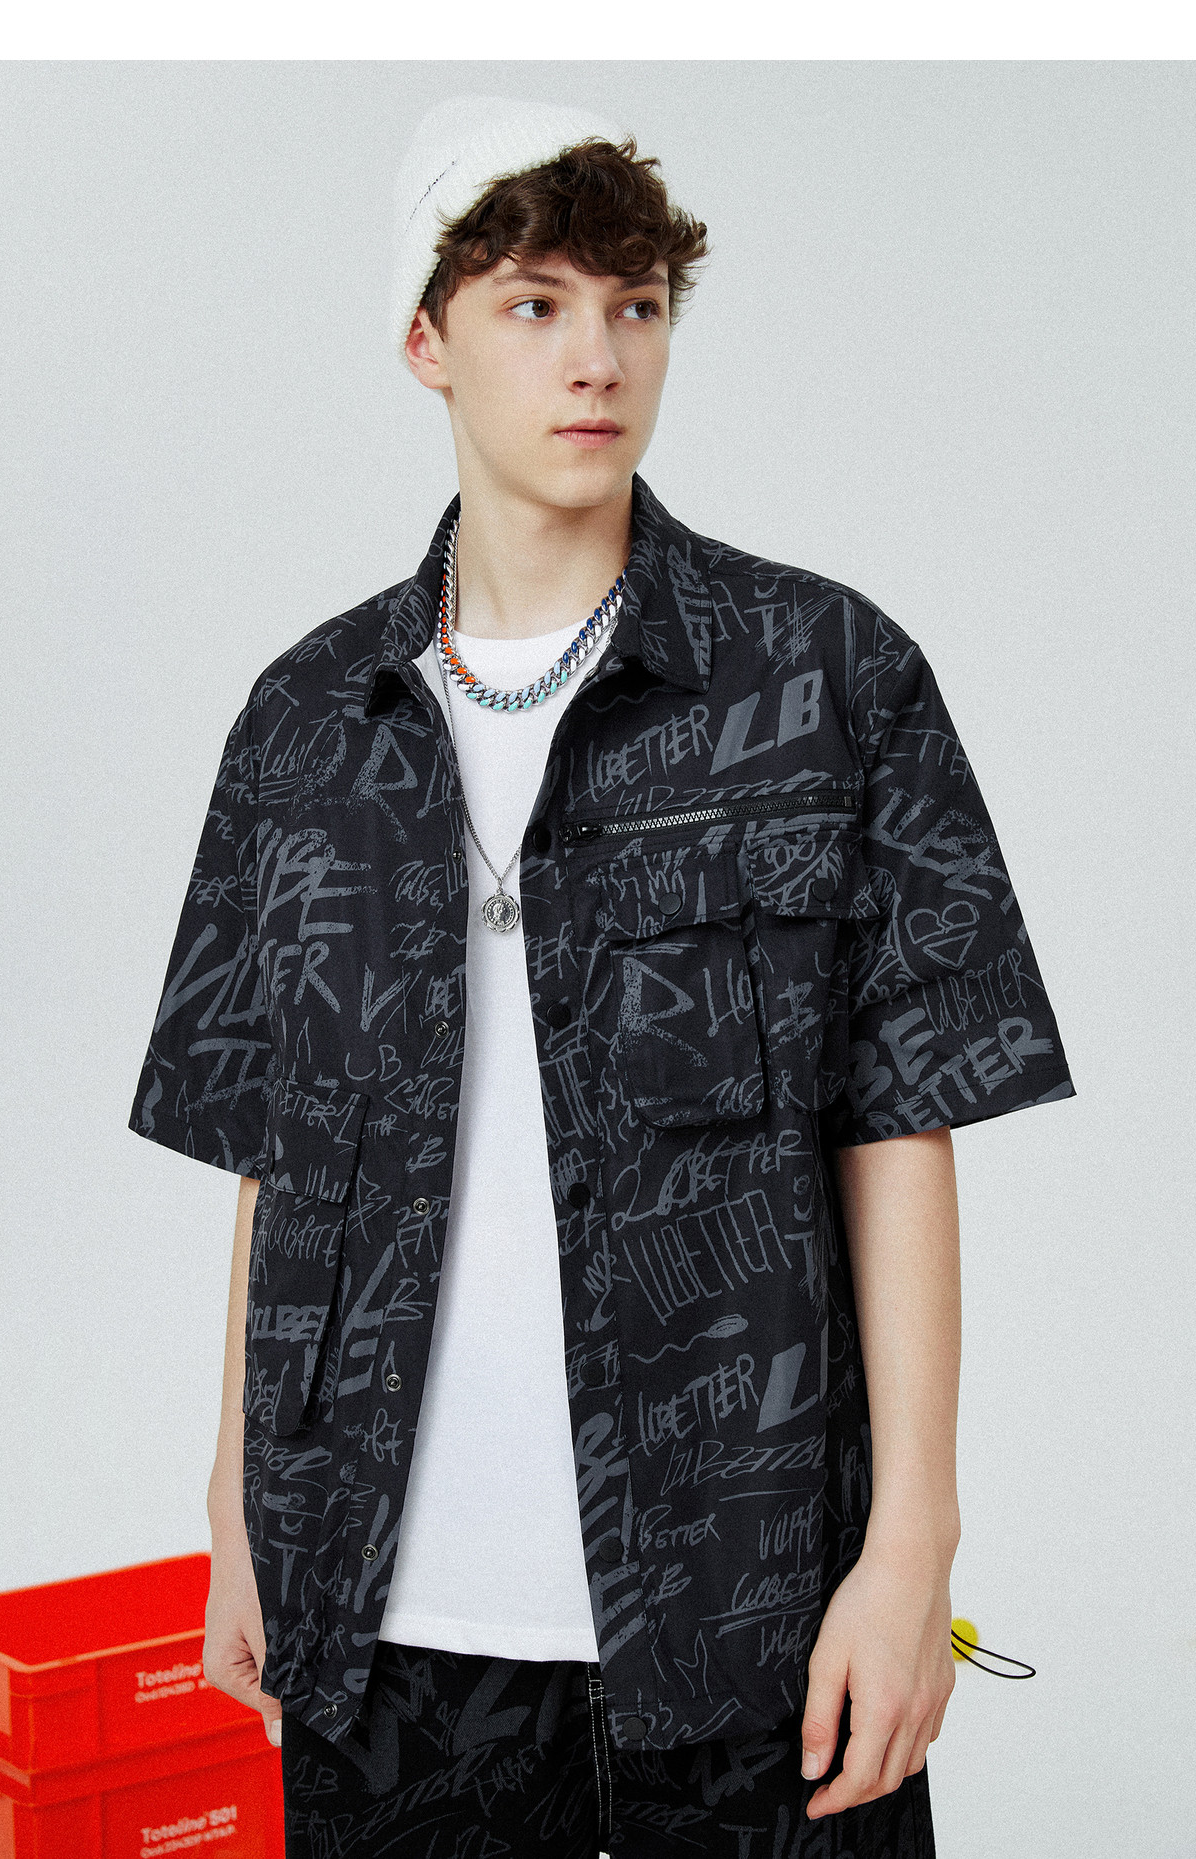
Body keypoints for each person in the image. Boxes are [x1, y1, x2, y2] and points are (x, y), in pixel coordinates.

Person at [128, 92, 1076, 1858]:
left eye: (637, 306)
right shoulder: (303, 724)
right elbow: (276, 1149)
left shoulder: (827, 677)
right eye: (536, 304)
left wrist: (912, 1548)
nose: (598, 359)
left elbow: (901, 1127)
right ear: (428, 342)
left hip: (750, 1602)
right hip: (384, 1615)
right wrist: (238, 1502)